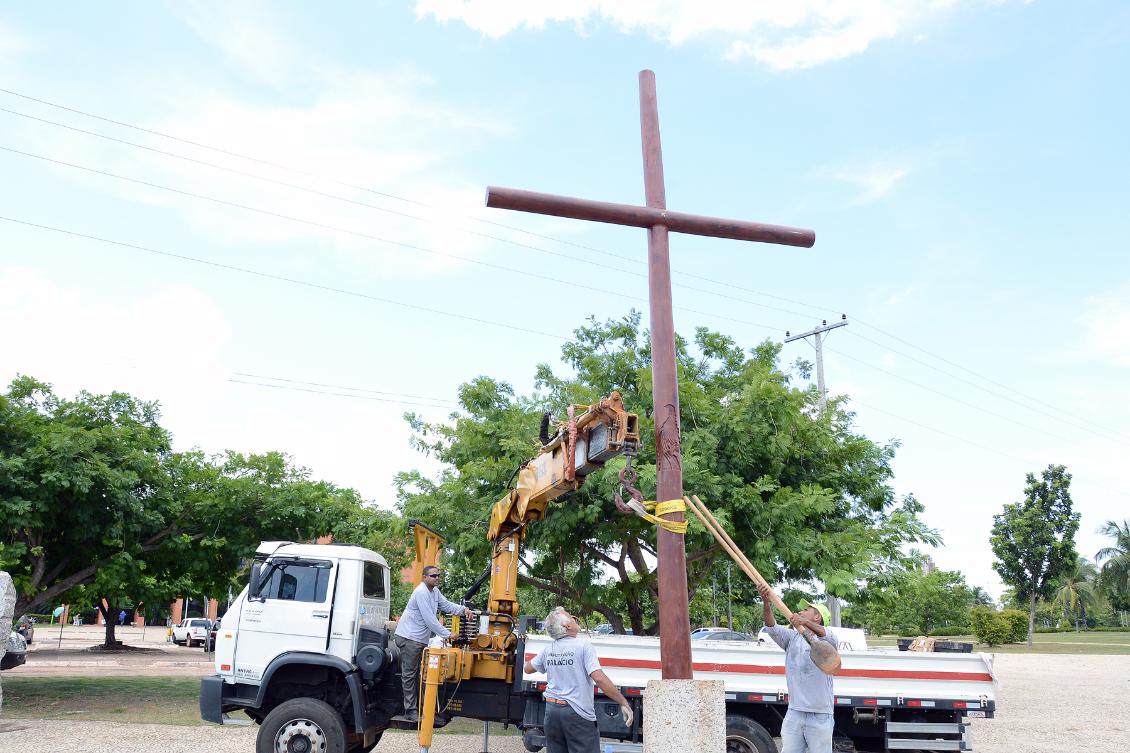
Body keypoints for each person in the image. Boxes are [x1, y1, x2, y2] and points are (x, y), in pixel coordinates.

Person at [524, 607, 633, 753]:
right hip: (577, 713)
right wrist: (623, 702)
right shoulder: (583, 647)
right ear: (567, 626)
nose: (575, 618)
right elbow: (599, 679)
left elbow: (528, 669)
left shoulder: (548, 650)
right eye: (572, 617)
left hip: (552, 712)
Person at [757, 582, 836, 753]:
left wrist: (804, 622)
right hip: (795, 712)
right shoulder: (792, 638)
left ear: (817, 617)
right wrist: (766, 602)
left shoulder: (827, 641)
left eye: (807, 609)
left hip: (820, 715)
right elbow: (771, 627)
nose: (801, 611)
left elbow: (824, 633)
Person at [392, 565, 473, 722]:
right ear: (424, 577)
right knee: (410, 675)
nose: (437, 578)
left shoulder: (434, 591)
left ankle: (423, 709)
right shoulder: (421, 592)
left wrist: (464, 610)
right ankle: (410, 711)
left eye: (438, 575)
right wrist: (448, 634)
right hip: (409, 638)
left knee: (420, 675)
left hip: (419, 640)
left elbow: (446, 605)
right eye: (433, 575)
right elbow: (430, 619)